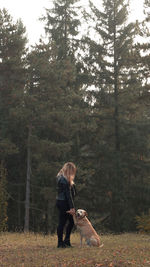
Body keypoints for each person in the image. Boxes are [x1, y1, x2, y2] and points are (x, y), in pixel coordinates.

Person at [56, 162, 76, 248]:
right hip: (64, 203)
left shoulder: (61, 177)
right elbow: (68, 195)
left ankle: (66, 241)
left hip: (61, 202)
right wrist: (72, 207)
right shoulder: (64, 180)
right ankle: (60, 243)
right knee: (63, 222)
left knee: (71, 221)